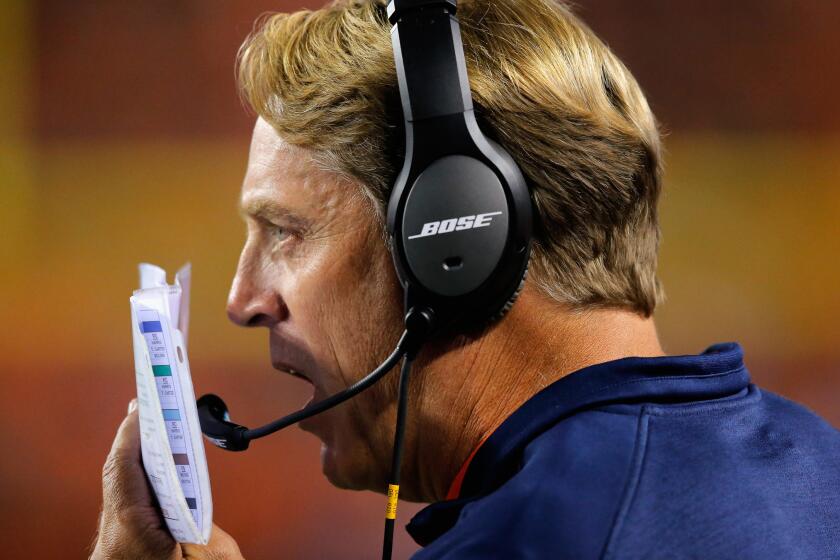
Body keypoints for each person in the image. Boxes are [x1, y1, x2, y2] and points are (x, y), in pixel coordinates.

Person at [89, 1, 840, 558]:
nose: (243, 300)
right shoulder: (816, 463)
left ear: (453, 236)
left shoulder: (538, 539)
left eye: (286, 232)